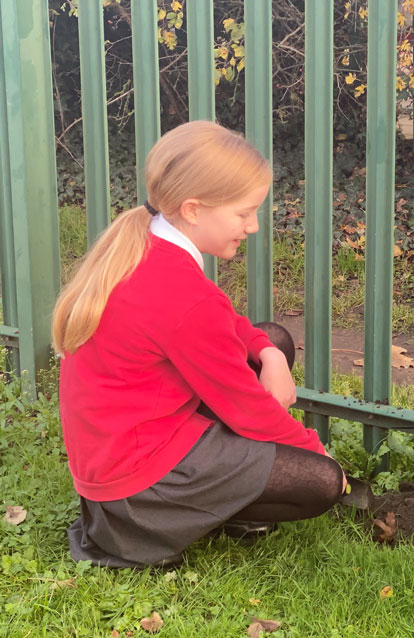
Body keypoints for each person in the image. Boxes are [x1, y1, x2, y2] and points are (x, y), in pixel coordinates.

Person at [52, 121, 346, 568]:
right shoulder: (183, 294)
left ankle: (222, 491)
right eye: (243, 212)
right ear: (193, 209)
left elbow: (225, 322)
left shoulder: (149, 240)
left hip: (119, 449)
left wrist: (269, 354)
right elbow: (248, 409)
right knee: (319, 481)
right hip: (132, 489)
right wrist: (319, 454)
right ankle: (194, 516)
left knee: (274, 339)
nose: (252, 226)